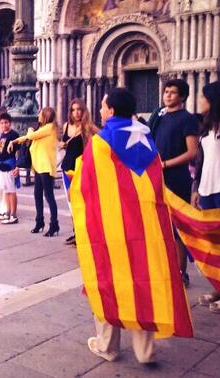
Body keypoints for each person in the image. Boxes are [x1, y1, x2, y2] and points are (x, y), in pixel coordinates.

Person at [70, 87, 193, 365]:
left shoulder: (101, 143)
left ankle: (107, 346)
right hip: (147, 228)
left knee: (107, 281)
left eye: (103, 106)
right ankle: (145, 351)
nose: (101, 110)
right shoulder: (146, 138)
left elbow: (87, 186)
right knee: (143, 282)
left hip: (113, 227)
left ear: (111, 110)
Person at [149, 79, 198, 286]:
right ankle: (163, 269)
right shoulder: (158, 116)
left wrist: (166, 164)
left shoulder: (187, 119)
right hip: (156, 178)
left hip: (177, 179)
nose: (167, 95)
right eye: (166, 91)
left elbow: (192, 152)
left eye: (172, 92)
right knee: (159, 226)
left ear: (183, 97)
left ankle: (181, 273)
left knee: (177, 229)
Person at [191, 81, 220, 313]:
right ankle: (218, 287)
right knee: (213, 245)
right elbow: (200, 163)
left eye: (204, 98)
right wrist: (195, 189)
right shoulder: (206, 129)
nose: (201, 102)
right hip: (207, 191)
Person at [13, 107, 60, 236]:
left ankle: (54, 224)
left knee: (49, 196)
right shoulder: (42, 129)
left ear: (45, 116)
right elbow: (28, 137)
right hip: (38, 166)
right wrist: (15, 141)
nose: (38, 116)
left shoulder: (49, 127)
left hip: (45, 167)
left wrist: (29, 128)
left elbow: (31, 135)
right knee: (37, 195)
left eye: (40, 114)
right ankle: (39, 222)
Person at [60, 99, 98, 245]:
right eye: (73, 110)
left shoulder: (88, 126)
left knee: (82, 203)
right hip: (67, 168)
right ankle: (76, 232)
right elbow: (63, 143)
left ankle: (84, 233)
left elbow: (102, 138)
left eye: (79, 110)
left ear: (83, 111)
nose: (76, 113)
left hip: (81, 169)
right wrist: (61, 144)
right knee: (71, 203)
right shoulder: (66, 126)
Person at [0, 112, 20, 224]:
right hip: (2, 164)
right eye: (2, 123)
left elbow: (18, 151)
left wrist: (17, 166)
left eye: (6, 122)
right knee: (5, 189)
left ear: (10, 123)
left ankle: (13, 214)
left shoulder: (14, 135)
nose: (4, 125)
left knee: (11, 190)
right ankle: (8, 211)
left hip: (10, 164)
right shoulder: (2, 135)